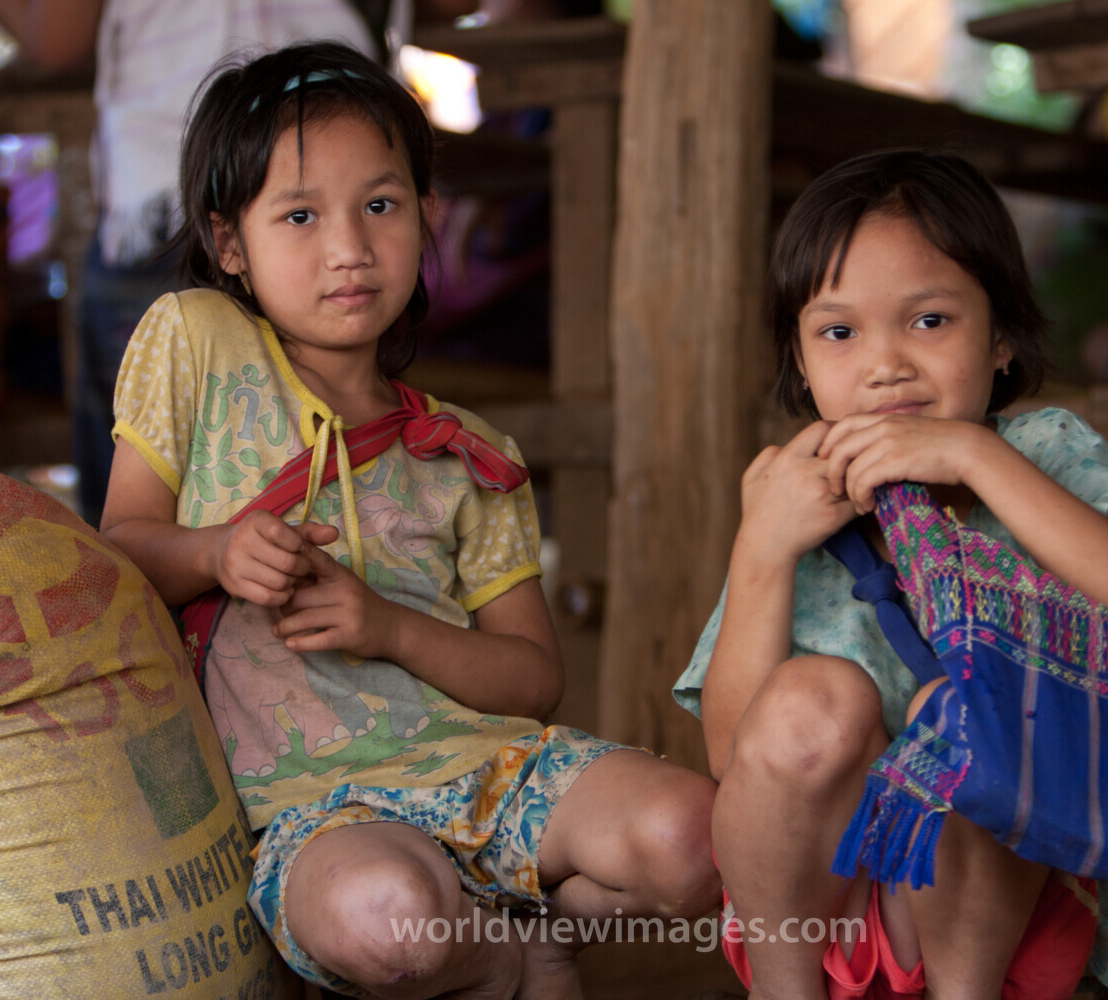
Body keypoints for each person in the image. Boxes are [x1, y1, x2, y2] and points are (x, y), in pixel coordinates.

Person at [99, 41, 718, 1000]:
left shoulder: (468, 452)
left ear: (429, 216)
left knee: (702, 840)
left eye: (380, 206)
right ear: (230, 243)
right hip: (314, 815)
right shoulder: (194, 342)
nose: (348, 247)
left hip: (484, 770)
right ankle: (505, 952)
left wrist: (386, 626)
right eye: (299, 215)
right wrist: (216, 551)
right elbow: (115, 557)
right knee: (392, 925)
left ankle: (533, 920)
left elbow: (533, 680)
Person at [673, 149, 1108, 1000]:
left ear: (1004, 338)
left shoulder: (1043, 454)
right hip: (831, 910)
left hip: (1011, 915)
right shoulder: (794, 499)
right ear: (802, 363)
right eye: (839, 332)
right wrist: (761, 548)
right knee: (809, 702)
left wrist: (973, 456)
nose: (886, 366)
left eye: (929, 321)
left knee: (970, 711)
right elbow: (736, 755)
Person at [0, 0, 378, 526]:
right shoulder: (357, 240)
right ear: (225, 238)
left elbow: (58, 40)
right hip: (202, 187)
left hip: (157, 179)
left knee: (139, 491)